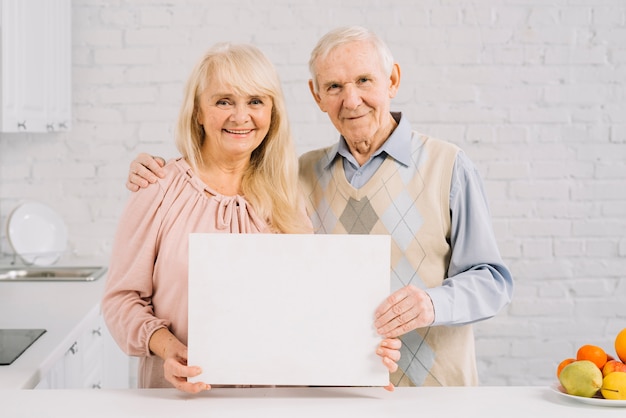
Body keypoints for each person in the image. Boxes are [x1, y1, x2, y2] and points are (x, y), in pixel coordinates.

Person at [127, 26, 514, 387]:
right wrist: (158, 171)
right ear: (317, 96)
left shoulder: (448, 165)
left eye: (364, 80)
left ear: (392, 80)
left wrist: (431, 303)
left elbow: (493, 280)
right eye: (334, 86)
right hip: (334, 391)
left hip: (435, 390)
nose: (351, 99)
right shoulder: (296, 178)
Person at [103, 41, 402, 394]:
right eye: (223, 101)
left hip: (275, 403)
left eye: (255, 102)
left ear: (272, 113)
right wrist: (169, 349)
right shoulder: (158, 187)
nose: (240, 116)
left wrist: (361, 354)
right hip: (181, 400)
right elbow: (121, 300)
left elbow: (310, 307)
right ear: (198, 111)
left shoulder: (289, 197)